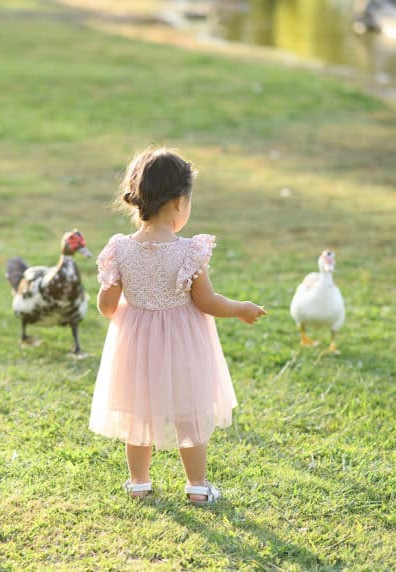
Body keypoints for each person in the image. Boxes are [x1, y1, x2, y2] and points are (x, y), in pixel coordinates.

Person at [90, 146, 266, 505]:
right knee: (190, 413)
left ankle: (139, 483)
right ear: (178, 203)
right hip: (184, 343)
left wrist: (127, 309)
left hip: (135, 344)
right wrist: (241, 309)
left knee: (137, 412)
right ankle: (197, 487)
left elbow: (106, 305)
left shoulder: (120, 249)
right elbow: (207, 302)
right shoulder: (190, 252)